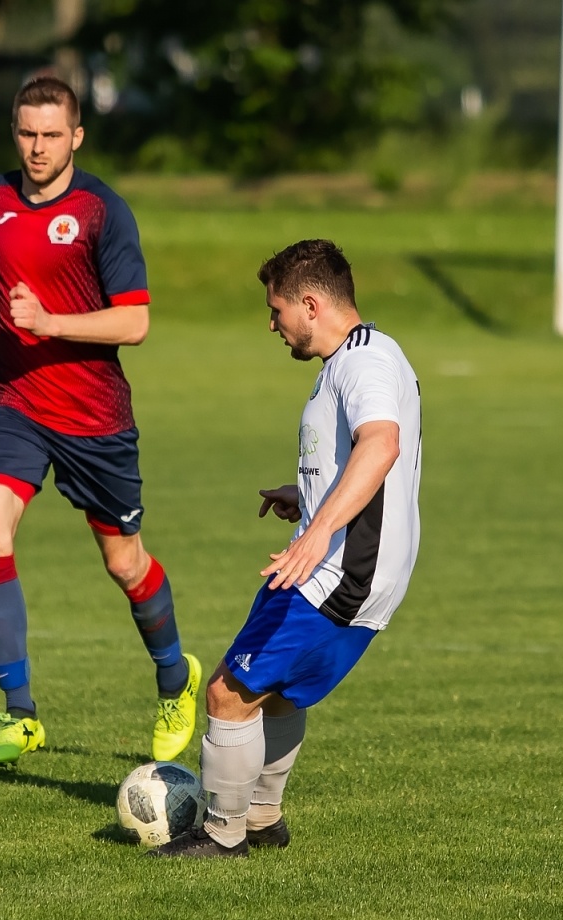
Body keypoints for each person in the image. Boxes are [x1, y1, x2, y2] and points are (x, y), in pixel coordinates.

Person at [0, 75, 200, 766]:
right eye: (26, 133)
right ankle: (21, 714)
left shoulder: (103, 212)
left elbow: (135, 321)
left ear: (76, 136)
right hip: (15, 400)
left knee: (124, 563)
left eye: (51, 135)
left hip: (93, 415)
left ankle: (174, 677)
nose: (37, 148)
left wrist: (50, 321)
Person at [153, 240, 423, 859]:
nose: (271, 324)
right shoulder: (365, 356)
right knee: (277, 691)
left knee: (226, 693)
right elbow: (362, 461)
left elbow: (381, 445)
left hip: (340, 568)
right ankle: (265, 819)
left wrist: (321, 528)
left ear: (310, 302)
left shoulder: (363, 363)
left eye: (276, 311)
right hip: (359, 563)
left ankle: (221, 837)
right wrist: (306, 497)